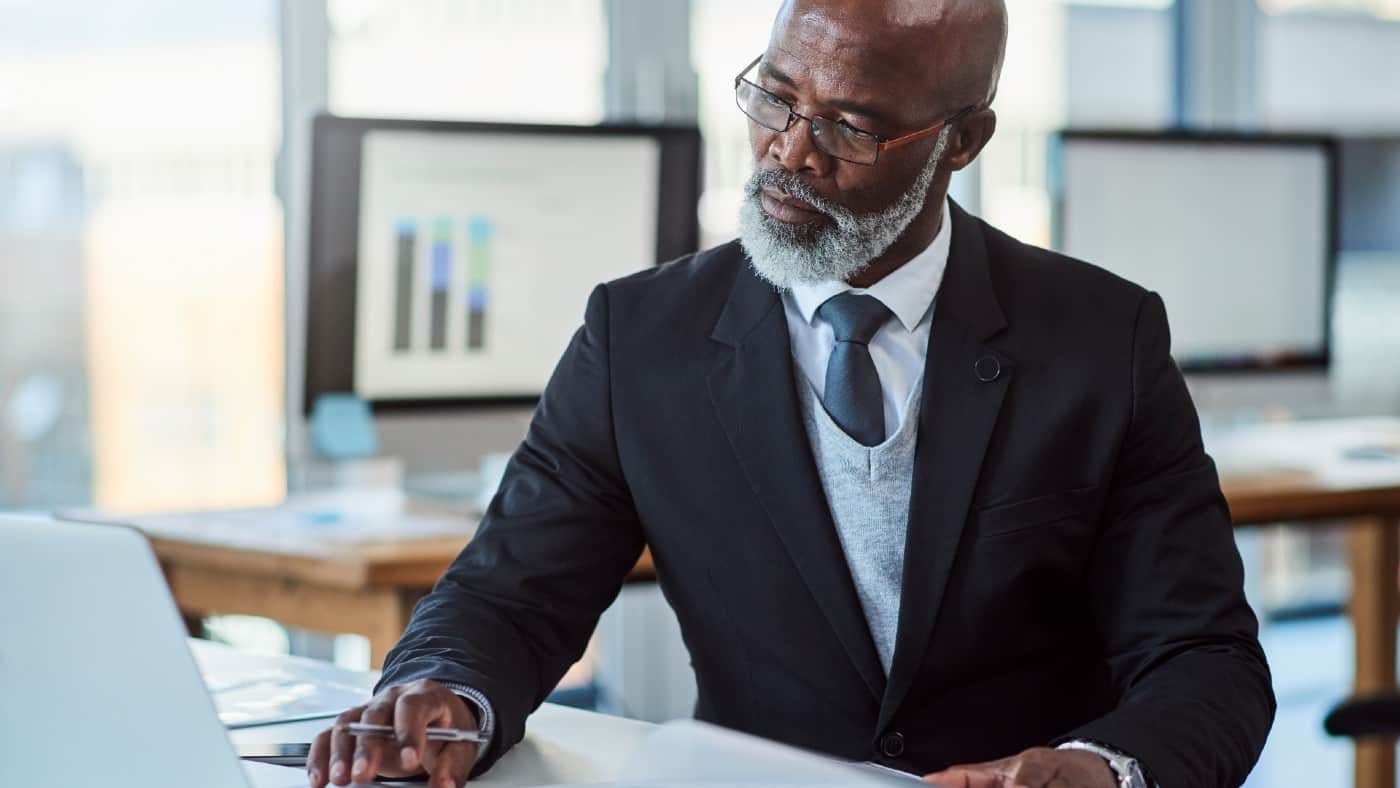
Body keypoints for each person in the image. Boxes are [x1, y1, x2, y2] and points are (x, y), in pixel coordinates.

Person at [307, 1, 1275, 786]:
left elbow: (1204, 659)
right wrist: (445, 690)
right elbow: (510, 595)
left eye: (848, 126)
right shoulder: (639, 336)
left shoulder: (1100, 337)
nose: (788, 152)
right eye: (772, 97)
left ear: (961, 141)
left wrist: (1097, 770)